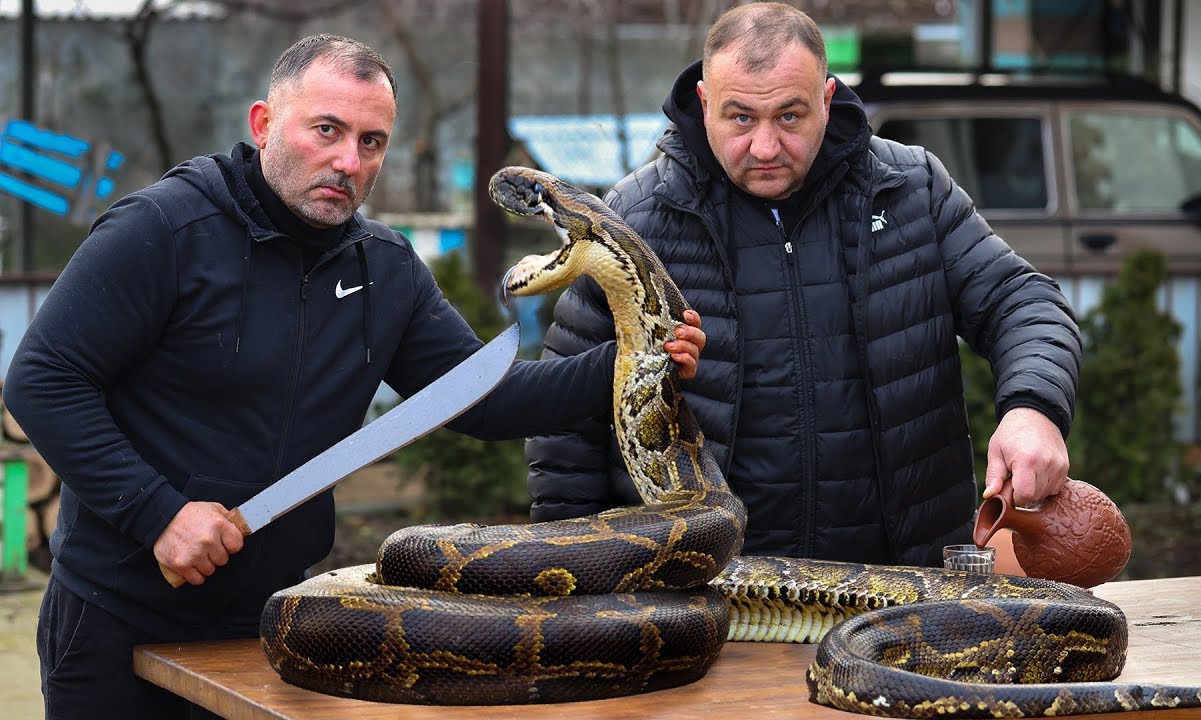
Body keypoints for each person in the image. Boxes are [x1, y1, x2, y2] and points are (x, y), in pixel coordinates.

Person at [3, 34, 703, 720]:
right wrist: (156, 514)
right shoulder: (163, 228)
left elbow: (487, 402)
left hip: (275, 624)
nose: (347, 161)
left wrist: (638, 361)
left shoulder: (386, 269)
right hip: (118, 618)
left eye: (371, 142)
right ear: (264, 122)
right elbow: (40, 378)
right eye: (327, 130)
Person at [526, 3, 1080, 568]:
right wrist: (574, 572)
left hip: (903, 590)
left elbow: (1023, 301)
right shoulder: (637, 220)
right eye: (740, 118)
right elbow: (568, 422)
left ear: (826, 98)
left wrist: (1033, 408)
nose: (765, 148)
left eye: (790, 117)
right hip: (708, 598)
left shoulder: (910, 189)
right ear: (704, 102)